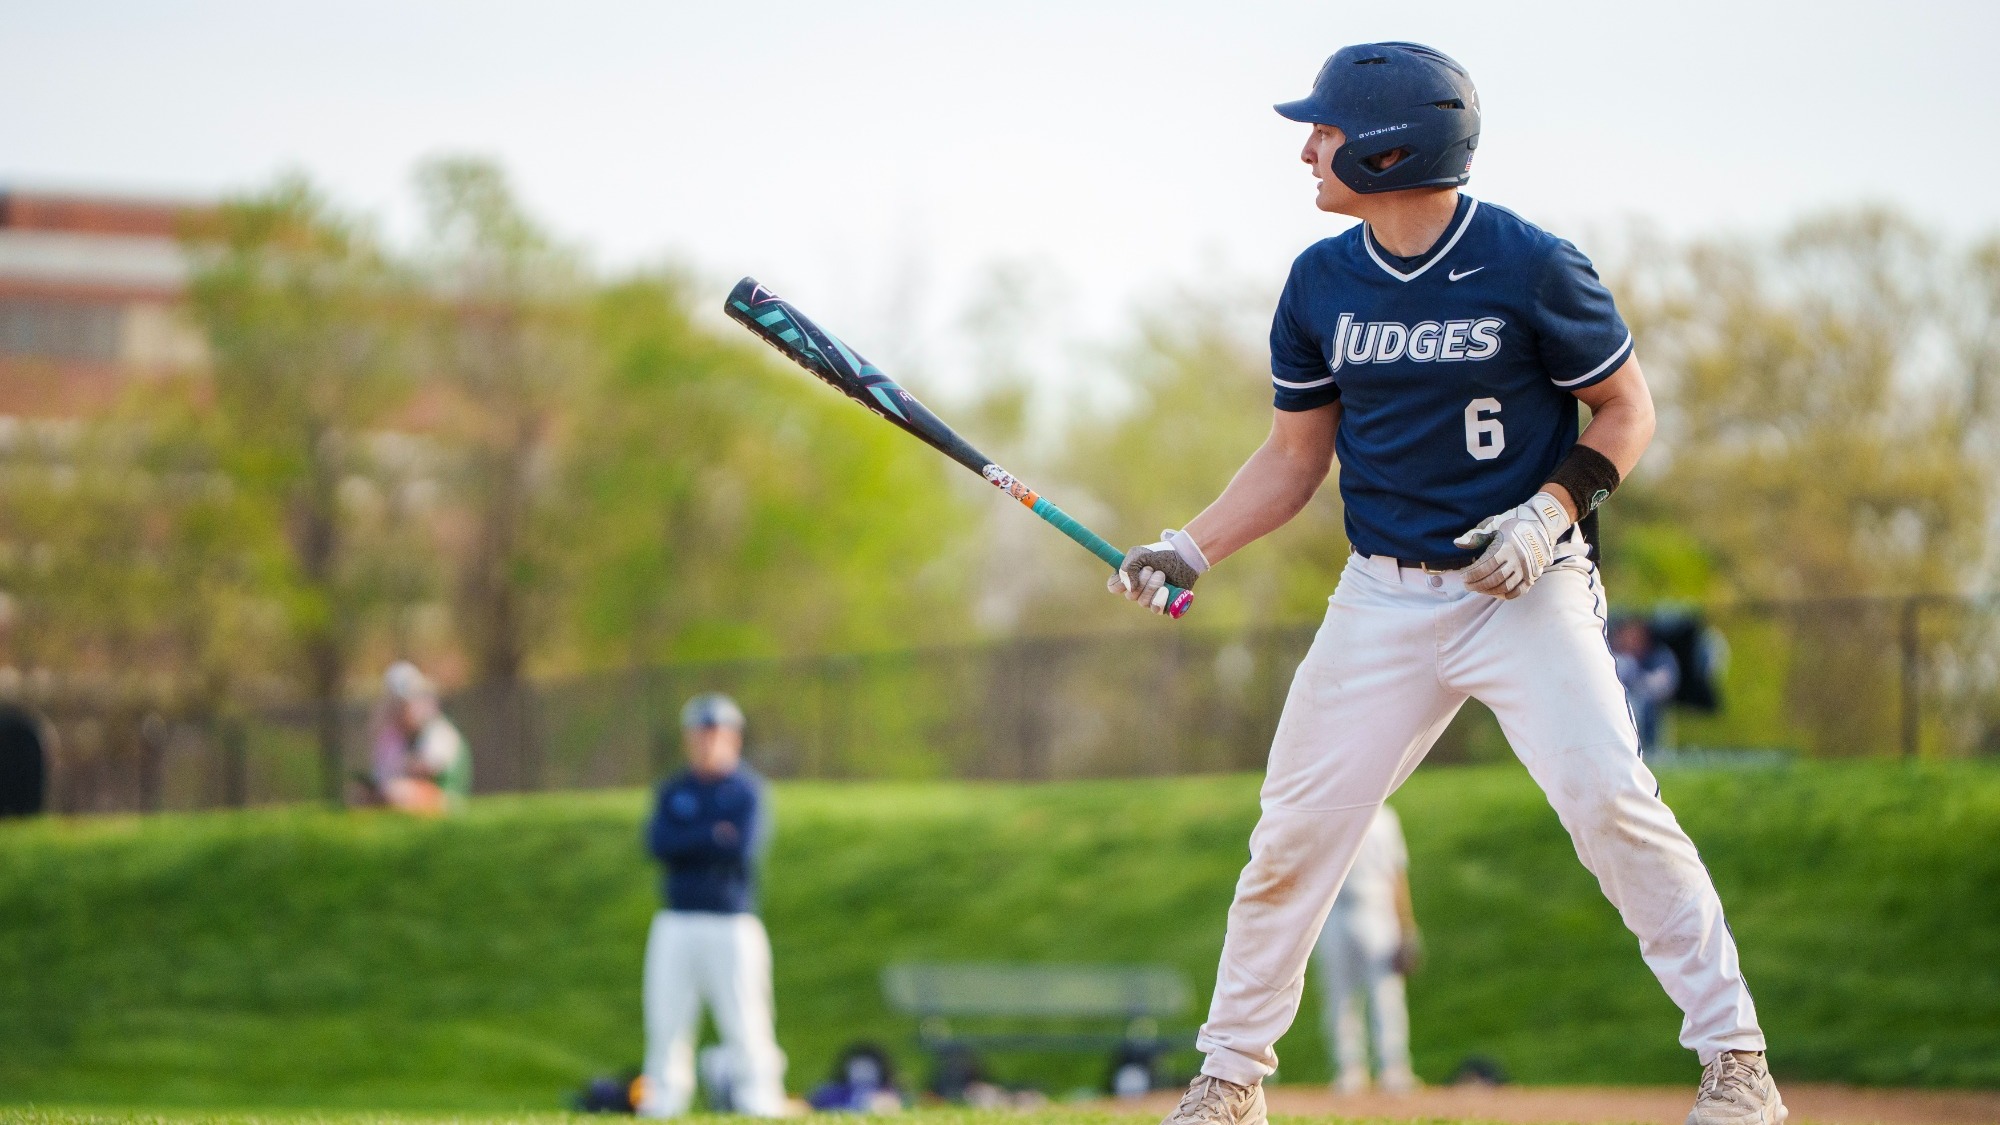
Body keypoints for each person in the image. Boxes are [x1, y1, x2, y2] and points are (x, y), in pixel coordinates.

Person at [1111, 43, 1783, 1125]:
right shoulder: (1319, 280)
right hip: (1380, 598)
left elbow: (1627, 412)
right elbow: (1293, 459)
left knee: (1611, 801)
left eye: (1323, 131)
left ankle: (1735, 1064)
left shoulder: (1530, 262)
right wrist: (1189, 546)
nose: (1305, 149)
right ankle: (1229, 1079)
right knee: (1291, 835)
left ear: (1388, 146)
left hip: (1525, 590)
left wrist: (1546, 512)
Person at [639, 692, 788, 1118]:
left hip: (730, 920)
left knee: (746, 1018)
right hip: (678, 918)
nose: (707, 743)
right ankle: (663, 1101)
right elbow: (658, 844)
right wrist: (711, 835)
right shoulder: (674, 789)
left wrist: (694, 839)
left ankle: (758, 1099)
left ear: (733, 739)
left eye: (715, 734)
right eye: (699, 734)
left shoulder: (747, 790)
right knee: (666, 1019)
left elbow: (741, 847)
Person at [1313, 804, 1419, 1095]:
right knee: (1339, 994)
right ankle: (1350, 1068)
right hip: (1335, 909)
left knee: (1386, 993)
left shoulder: (1386, 818)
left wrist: (1407, 926)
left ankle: (1394, 1066)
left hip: (1377, 907)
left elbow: (1397, 875)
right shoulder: (1332, 813)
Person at [366, 661, 470, 815]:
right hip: (413, 794)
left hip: (446, 799)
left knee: (396, 792)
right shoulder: (399, 736)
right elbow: (382, 773)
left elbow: (430, 766)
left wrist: (403, 766)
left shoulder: (439, 730)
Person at [1613, 617, 1682, 753]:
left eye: (1636, 635)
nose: (1631, 640)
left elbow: (1665, 683)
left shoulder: (1659, 656)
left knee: (1643, 704)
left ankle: (1652, 749)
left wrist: (1641, 683)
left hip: (1650, 706)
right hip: (1618, 706)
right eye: (1627, 635)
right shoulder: (1615, 657)